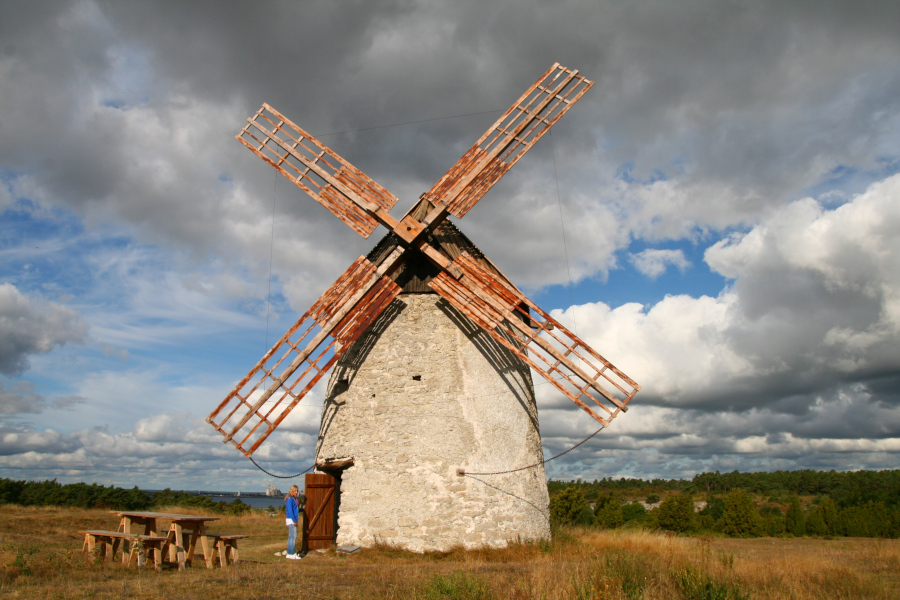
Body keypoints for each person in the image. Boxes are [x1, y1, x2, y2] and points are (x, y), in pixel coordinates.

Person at [284, 485, 303, 559]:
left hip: (293, 518)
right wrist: (294, 520)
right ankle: (291, 553)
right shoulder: (289, 499)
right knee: (293, 536)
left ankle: (290, 553)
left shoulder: (293, 499)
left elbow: (295, 509)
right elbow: (290, 511)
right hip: (291, 519)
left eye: (297, 491)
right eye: (295, 491)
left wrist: (302, 509)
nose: (296, 492)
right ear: (291, 491)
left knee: (291, 537)